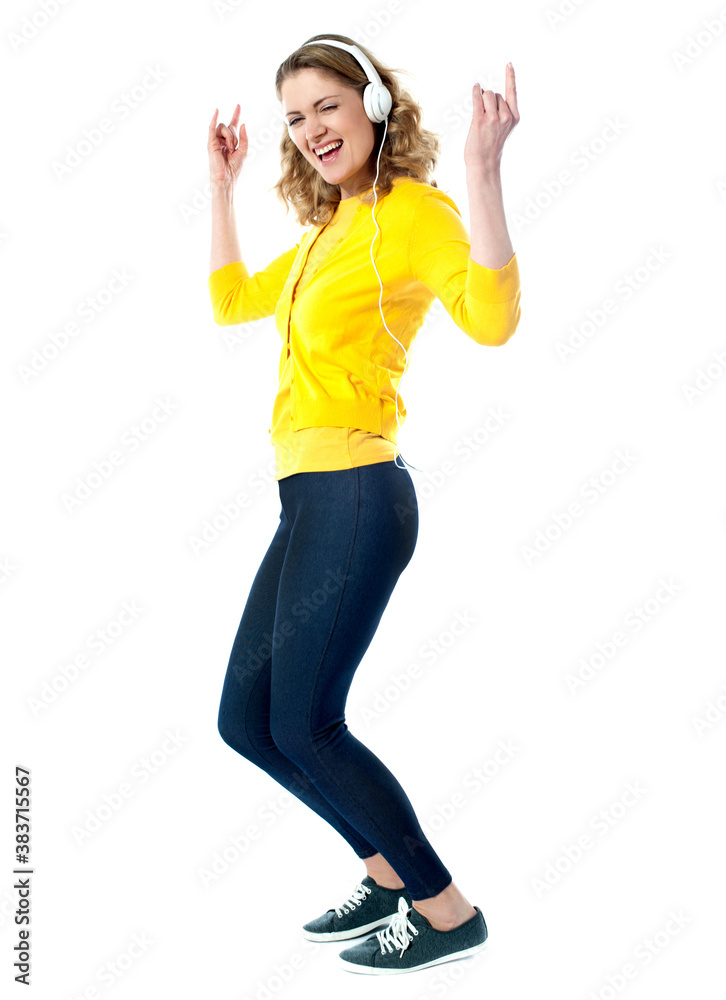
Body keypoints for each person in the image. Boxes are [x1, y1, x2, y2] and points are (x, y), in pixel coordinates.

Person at [207, 32, 521, 975]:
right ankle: (386, 875)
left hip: (357, 493)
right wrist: (220, 189)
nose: (311, 130)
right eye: (295, 118)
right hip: (307, 499)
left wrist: (483, 173)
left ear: (374, 104)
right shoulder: (326, 232)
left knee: (308, 725)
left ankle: (445, 912)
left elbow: (492, 321)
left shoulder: (413, 213)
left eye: (327, 106)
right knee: (247, 722)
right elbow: (232, 301)